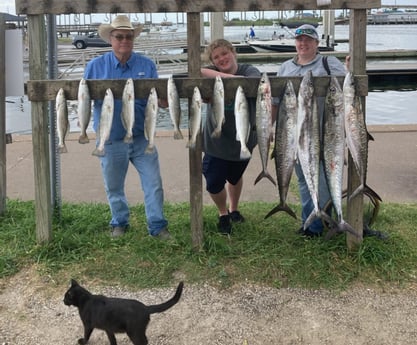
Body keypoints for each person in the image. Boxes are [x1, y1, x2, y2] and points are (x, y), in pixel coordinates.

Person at [84, 15, 171, 239]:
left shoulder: (147, 65)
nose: (124, 41)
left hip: (142, 137)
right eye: (119, 36)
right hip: (110, 138)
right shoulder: (94, 67)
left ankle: (157, 226)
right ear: (110, 39)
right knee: (114, 187)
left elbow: (159, 100)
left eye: (129, 36)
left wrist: (165, 100)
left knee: (154, 184)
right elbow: (84, 100)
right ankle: (119, 222)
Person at [272, 24, 347, 238]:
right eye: (299, 40)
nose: (303, 44)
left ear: (316, 43)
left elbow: (346, 91)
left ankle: (325, 220)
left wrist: (351, 70)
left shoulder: (329, 63)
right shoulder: (285, 67)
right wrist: (270, 128)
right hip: (294, 137)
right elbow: (276, 102)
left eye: (308, 40)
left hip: (325, 134)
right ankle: (311, 223)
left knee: (323, 180)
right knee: (304, 181)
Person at [201, 39, 261, 235]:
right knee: (213, 181)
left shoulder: (249, 69)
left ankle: (234, 209)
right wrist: (222, 78)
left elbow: (252, 82)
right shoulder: (209, 72)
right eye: (216, 57)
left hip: (242, 140)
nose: (221, 59)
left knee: (235, 177)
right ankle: (223, 213)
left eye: (224, 53)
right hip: (215, 141)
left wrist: (223, 80)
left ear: (233, 52)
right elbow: (200, 71)